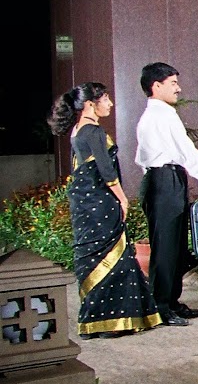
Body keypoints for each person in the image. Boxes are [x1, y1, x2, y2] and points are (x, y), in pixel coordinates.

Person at [47, 83, 165, 336]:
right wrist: (123, 199)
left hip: (85, 204)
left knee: (93, 256)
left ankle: (98, 321)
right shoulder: (93, 131)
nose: (110, 104)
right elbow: (106, 171)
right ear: (91, 104)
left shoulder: (77, 130)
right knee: (114, 256)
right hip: (101, 202)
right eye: (105, 99)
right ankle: (114, 321)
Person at [134, 62, 198, 325]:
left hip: (166, 180)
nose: (178, 88)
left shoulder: (160, 114)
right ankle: (161, 306)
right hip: (164, 181)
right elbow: (188, 154)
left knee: (176, 246)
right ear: (156, 86)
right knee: (166, 247)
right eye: (173, 83)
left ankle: (171, 301)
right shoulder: (161, 115)